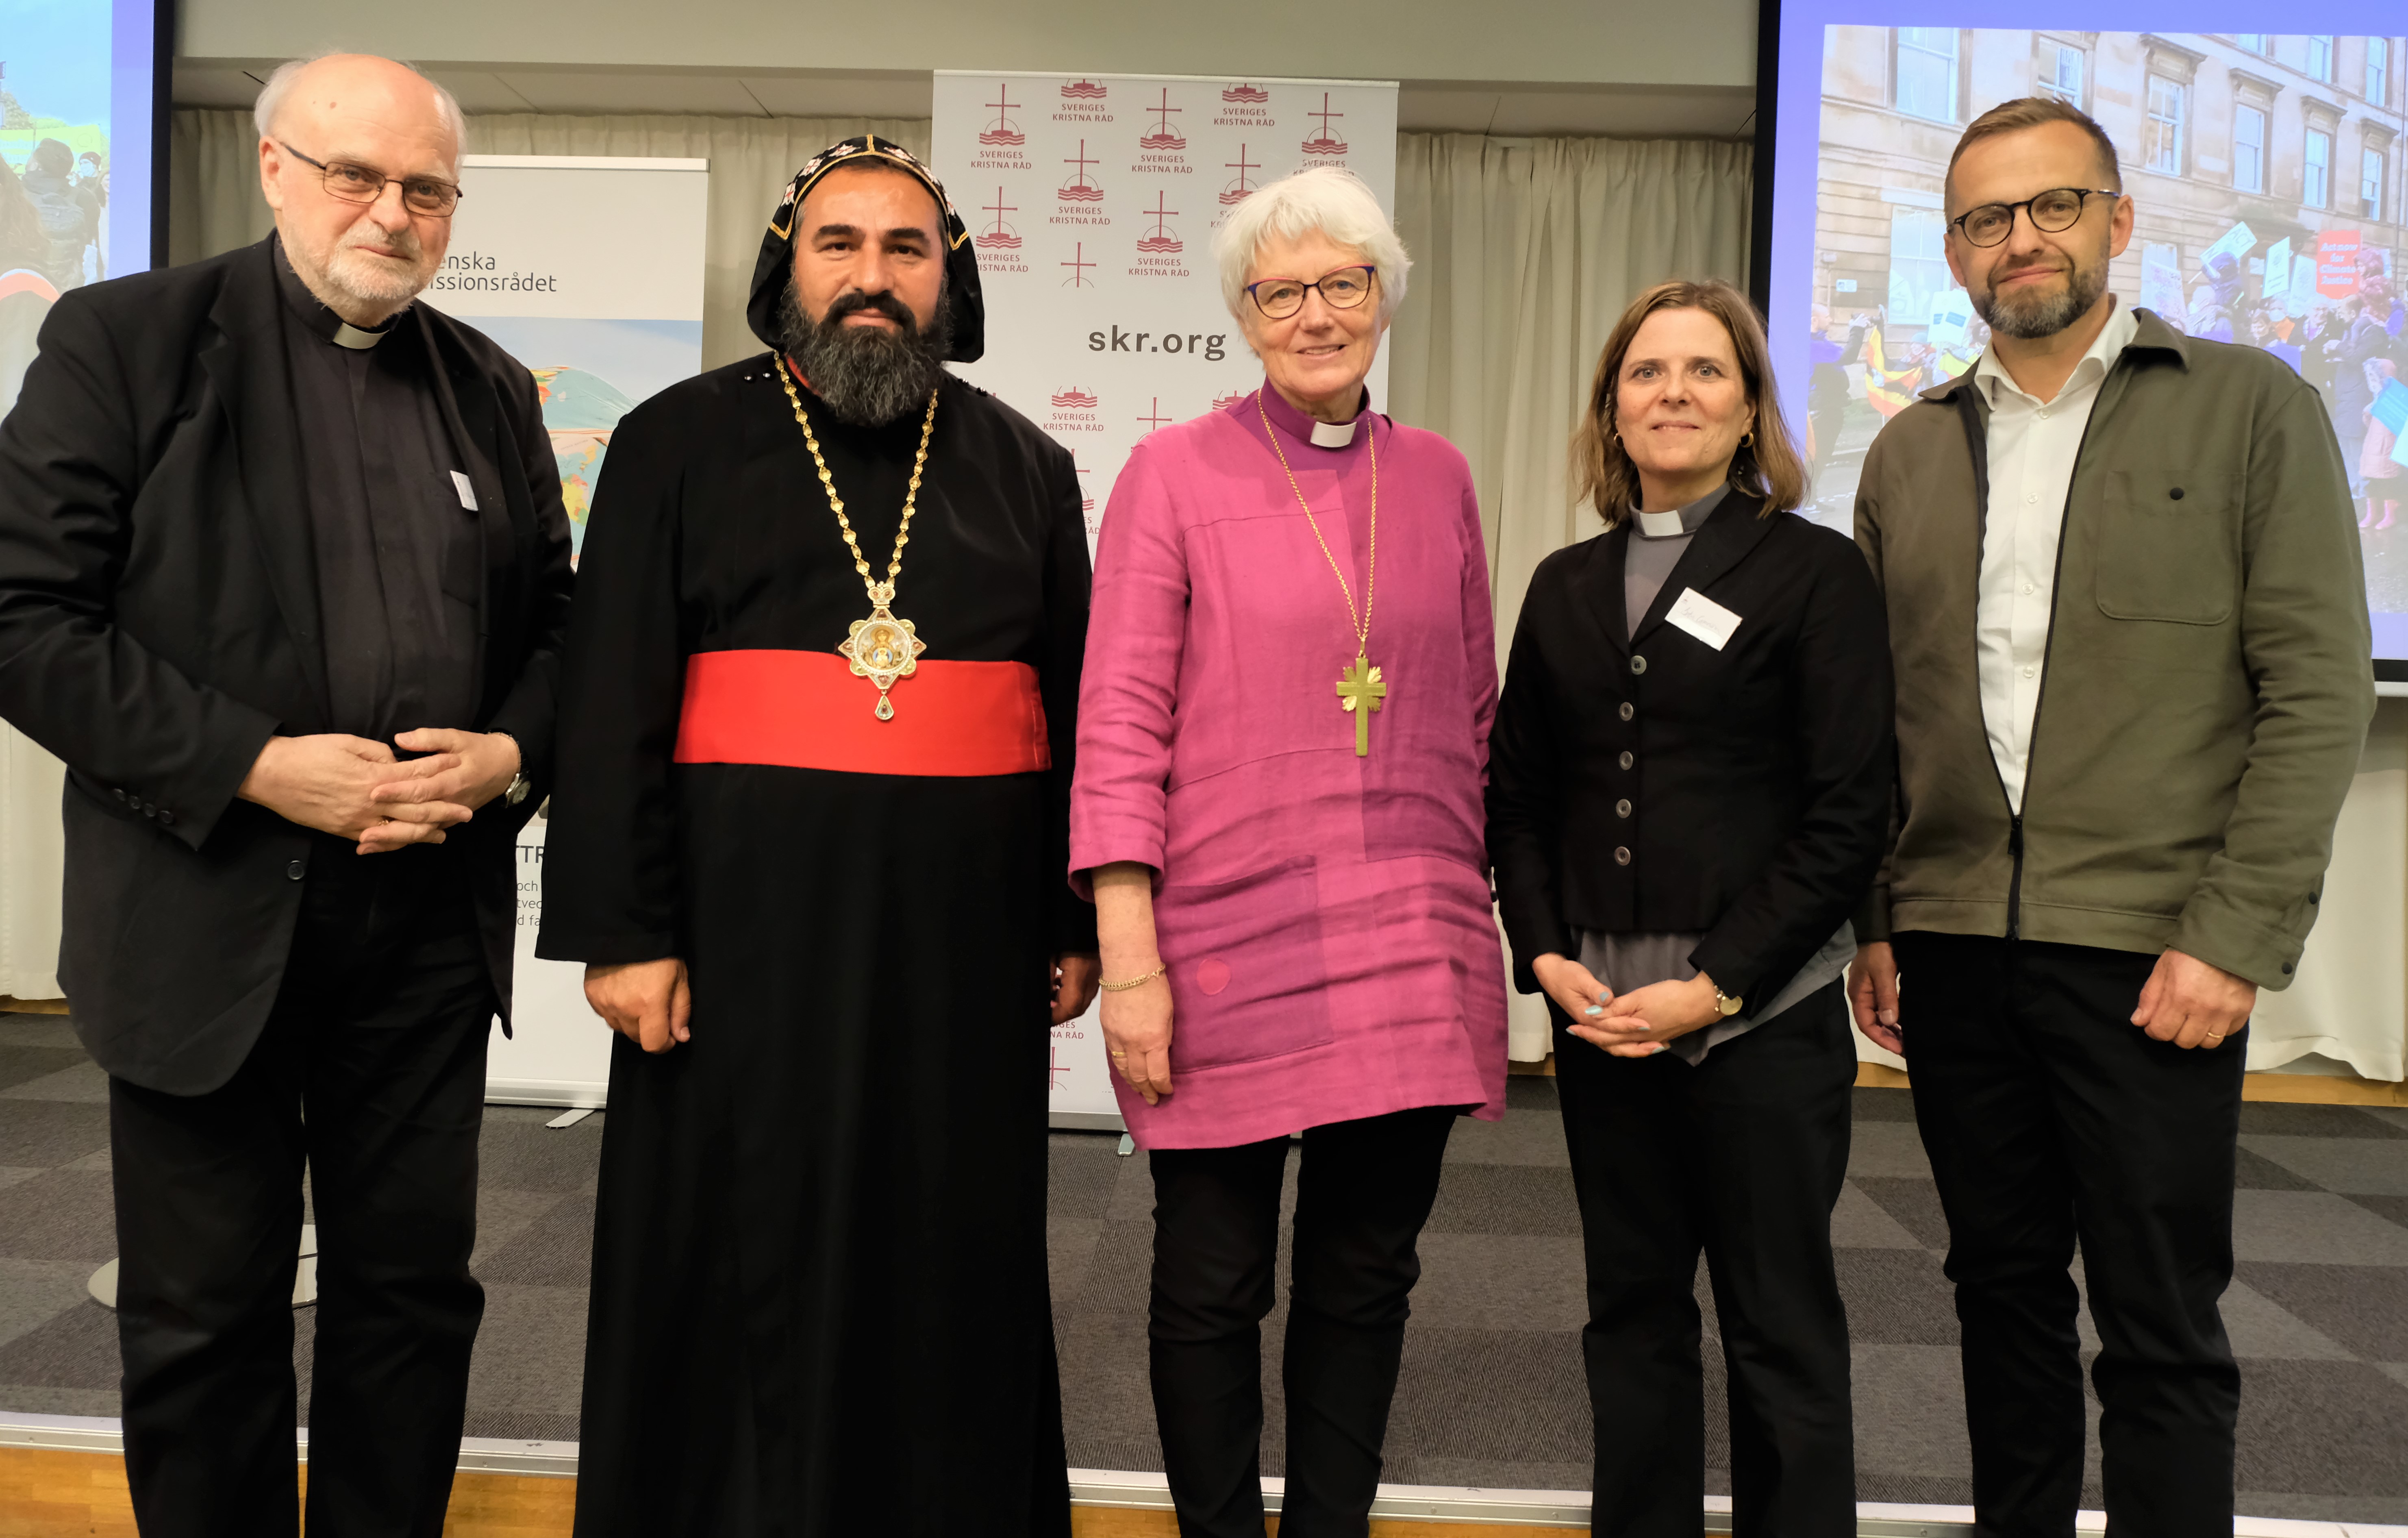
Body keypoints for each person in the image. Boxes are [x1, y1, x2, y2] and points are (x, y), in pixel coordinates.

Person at [0, 53, 574, 1536]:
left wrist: (506, 754)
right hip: (203, 921)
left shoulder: (491, 386)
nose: (391, 212)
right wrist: (258, 763)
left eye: (425, 189)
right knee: (203, 1315)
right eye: (355, 176)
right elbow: (23, 617)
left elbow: (567, 637)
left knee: (411, 1300)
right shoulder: (123, 341)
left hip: (423, 937)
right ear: (272, 168)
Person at [537, 135, 1097, 1536]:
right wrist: (623, 929)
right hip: (735, 949)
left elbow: (1069, 708)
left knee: (947, 1246)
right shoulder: (671, 438)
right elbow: (611, 698)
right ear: (787, 269)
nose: (871, 279)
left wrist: (1068, 919)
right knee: (730, 1244)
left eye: (904, 251)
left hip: (960, 955)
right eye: (838, 246)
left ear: (946, 278)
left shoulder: (1025, 464)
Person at [1849, 97, 2372, 1537]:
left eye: (2051, 206)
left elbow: (2315, 692)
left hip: (2155, 961)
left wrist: (2236, 938)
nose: (2019, 240)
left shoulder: (2251, 404)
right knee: (1996, 1298)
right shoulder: (1905, 453)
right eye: (1982, 218)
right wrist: (1882, 917)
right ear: (1953, 253)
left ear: (2118, 221)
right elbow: (1887, 719)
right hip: (1952, 948)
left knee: (2156, 1324)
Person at [1070, 165, 1507, 1538]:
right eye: (1280, 292)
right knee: (1210, 1281)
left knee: (1364, 1276)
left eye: (1342, 283)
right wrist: (1128, 964)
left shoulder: (1436, 478)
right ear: (1242, 314)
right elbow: (1119, 724)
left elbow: (1475, 714)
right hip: (1217, 944)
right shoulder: (1170, 472)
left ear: (1382, 295)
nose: (1314, 314)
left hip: (1407, 943)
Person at [1487, 279, 1891, 1538]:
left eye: (1705, 371)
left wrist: (1716, 984)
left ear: (1750, 406)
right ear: (1611, 410)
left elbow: (1847, 812)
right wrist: (1546, 954)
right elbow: (1519, 795)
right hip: (1602, 1017)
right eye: (1646, 373)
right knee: (1632, 1315)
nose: (1673, 393)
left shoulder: (1815, 574)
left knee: (1778, 1322)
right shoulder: (1562, 584)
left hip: (1757, 1020)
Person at [2363, 357, 2401, 531]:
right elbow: (2369, 424)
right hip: (2373, 447)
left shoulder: (2395, 398)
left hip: (2386, 448)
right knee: (2372, 483)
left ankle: (2389, 515)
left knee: (2387, 483)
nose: (2372, 383)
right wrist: (2367, 413)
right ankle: (2373, 514)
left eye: (2374, 378)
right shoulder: (2377, 398)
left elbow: (2399, 426)